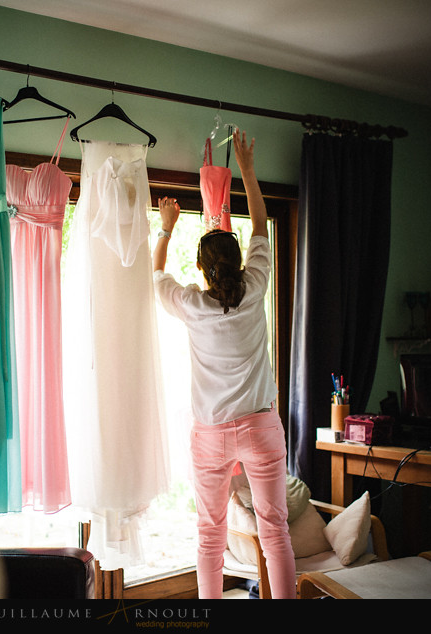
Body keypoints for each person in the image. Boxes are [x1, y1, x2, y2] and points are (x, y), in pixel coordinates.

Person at [152, 130, 296, 599]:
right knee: (275, 530)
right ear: (237, 262)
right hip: (261, 427)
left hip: (211, 433)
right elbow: (260, 226)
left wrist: (167, 226)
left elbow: (157, 275)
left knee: (210, 533)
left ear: (202, 269)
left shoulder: (192, 304)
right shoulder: (255, 286)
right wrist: (248, 171)